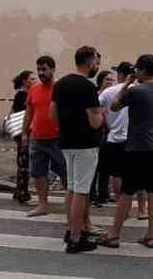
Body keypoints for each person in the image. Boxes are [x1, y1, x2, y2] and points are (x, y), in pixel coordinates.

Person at [101, 54, 153, 249]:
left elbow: (115, 106)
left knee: (127, 191)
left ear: (141, 70)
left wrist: (126, 84)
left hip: (137, 147)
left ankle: (114, 234)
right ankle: (150, 235)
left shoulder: (136, 91)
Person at [52, 46, 104, 254]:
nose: (97, 66)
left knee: (72, 188)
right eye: (97, 63)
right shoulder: (88, 87)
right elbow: (94, 122)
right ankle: (75, 238)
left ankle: (71, 229)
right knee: (81, 191)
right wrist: (103, 116)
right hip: (86, 144)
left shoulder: (60, 84)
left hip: (66, 142)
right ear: (90, 62)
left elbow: (52, 116)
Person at [98, 62, 148, 217]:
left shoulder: (107, 92)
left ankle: (122, 210)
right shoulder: (141, 91)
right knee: (139, 175)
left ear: (120, 74)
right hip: (136, 139)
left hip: (115, 139)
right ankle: (142, 210)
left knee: (117, 175)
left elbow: (95, 108)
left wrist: (105, 122)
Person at [22, 56, 67, 218]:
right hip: (37, 138)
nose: (41, 72)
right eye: (39, 69)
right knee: (38, 173)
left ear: (53, 69)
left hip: (57, 139)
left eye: (44, 69)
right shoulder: (34, 89)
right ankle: (42, 205)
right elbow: (29, 112)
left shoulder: (61, 88)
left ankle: (70, 205)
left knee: (65, 172)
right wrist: (24, 133)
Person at [11, 70, 38, 205]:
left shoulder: (23, 94)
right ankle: (22, 193)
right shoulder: (22, 95)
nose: (35, 81)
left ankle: (19, 191)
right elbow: (23, 115)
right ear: (25, 81)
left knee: (23, 163)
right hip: (24, 134)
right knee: (24, 164)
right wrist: (24, 134)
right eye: (32, 79)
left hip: (24, 133)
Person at [89, 70, 115, 205]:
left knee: (105, 165)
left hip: (108, 133)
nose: (110, 82)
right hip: (97, 133)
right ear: (100, 81)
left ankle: (104, 193)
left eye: (111, 80)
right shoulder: (96, 96)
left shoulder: (113, 95)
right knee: (95, 165)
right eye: (107, 79)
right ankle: (91, 194)